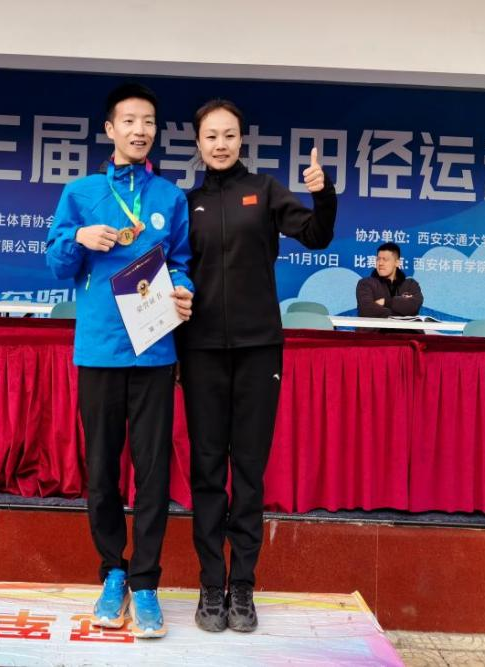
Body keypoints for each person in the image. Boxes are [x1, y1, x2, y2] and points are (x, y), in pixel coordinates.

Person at [176, 99, 337, 633]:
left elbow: (316, 234)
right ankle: (210, 584)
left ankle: (242, 585)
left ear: (241, 139)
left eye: (229, 135)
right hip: (200, 352)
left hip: (258, 350)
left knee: (247, 470)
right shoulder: (187, 204)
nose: (220, 144)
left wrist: (323, 193)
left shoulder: (265, 191)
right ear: (198, 143)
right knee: (207, 470)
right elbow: (171, 271)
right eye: (211, 136)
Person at [45, 83, 194, 639]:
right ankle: (113, 571)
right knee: (103, 469)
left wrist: (185, 289)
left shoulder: (170, 198)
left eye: (148, 121)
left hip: (154, 350)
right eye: (129, 121)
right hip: (100, 349)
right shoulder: (81, 193)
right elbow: (57, 264)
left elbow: (183, 262)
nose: (139, 130)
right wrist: (79, 237)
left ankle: (147, 581)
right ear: (109, 129)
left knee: (153, 472)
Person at [355, 242, 423, 319]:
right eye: (378, 259)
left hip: (406, 327)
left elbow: (414, 307)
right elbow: (366, 310)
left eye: (385, 259)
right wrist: (402, 312)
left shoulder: (411, 284)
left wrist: (386, 302)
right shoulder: (365, 284)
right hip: (376, 327)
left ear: (397, 263)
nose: (380, 263)